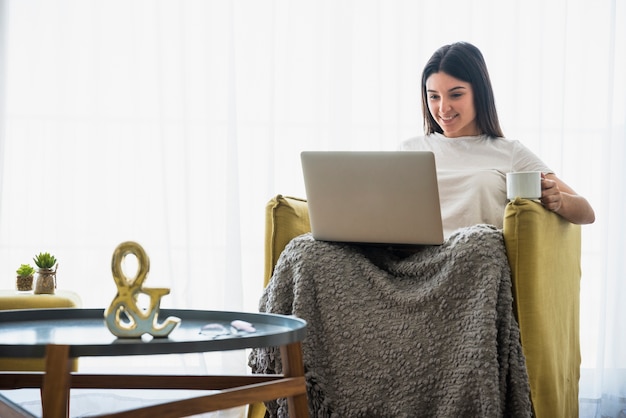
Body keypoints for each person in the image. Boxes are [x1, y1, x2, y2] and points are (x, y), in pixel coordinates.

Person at [400, 41, 595, 237]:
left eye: (456, 95)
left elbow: (587, 213)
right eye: (434, 97)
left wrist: (558, 200)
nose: (443, 108)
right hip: (413, 258)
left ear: (480, 93)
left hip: (471, 255)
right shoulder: (409, 149)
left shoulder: (509, 152)